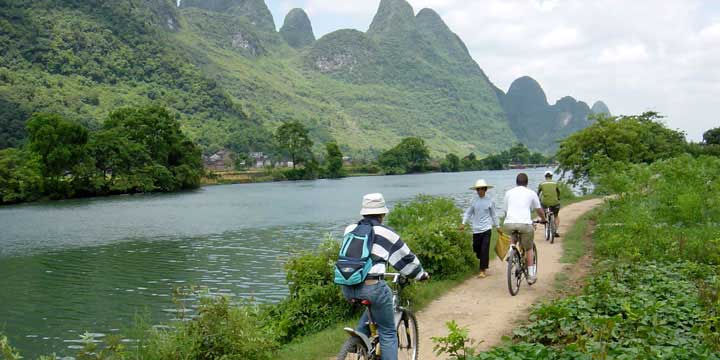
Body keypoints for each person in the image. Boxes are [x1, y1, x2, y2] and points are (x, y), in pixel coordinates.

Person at [340, 193, 430, 360]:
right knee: (388, 332)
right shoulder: (386, 233)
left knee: (374, 306)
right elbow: (406, 259)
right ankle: (359, 343)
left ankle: (358, 343)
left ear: (364, 212)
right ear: (382, 214)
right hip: (373, 288)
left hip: (347, 286)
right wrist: (421, 274)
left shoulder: (350, 229)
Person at [502, 173, 546, 283]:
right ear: (527, 183)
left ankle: (511, 250)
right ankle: (531, 275)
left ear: (516, 182)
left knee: (513, 234)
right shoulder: (531, 193)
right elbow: (539, 209)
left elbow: (506, 210)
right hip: (525, 224)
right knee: (529, 247)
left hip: (508, 223)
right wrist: (544, 219)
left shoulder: (508, 193)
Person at [460, 179, 501, 278]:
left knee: (484, 250)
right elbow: (468, 213)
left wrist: (498, 226)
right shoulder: (473, 201)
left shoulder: (490, 201)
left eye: (481, 189)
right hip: (476, 229)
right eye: (478, 189)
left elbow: (494, 215)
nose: (479, 191)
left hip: (487, 228)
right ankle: (482, 260)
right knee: (476, 249)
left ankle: (482, 270)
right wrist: (463, 223)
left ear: (485, 189)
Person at [537, 171, 561, 237]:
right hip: (555, 203)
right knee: (556, 216)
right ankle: (555, 231)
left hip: (545, 203)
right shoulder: (555, 183)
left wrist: (538, 199)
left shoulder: (542, 184)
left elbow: (538, 193)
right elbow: (558, 192)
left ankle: (546, 225)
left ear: (545, 177)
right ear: (551, 176)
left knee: (544, 214)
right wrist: (558, 198)